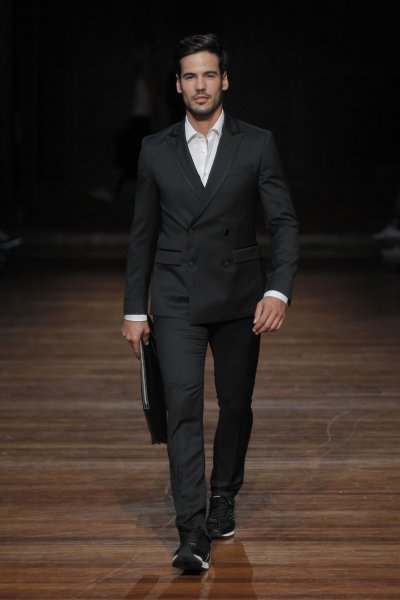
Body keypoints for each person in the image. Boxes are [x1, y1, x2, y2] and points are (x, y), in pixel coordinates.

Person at [122, 33, 299, 572]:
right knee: (181, 407)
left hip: (241, 298)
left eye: (208, 74)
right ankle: (192, 531)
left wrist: (277, 289)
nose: (200, 85)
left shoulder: (257, 143)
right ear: (177, 86)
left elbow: (283, 222)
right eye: (189, 76)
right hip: (175, 296)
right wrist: (135, 309)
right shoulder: (155, 149)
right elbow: (142, 233)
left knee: (236, 403)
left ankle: (224, 493)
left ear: (224, 80)